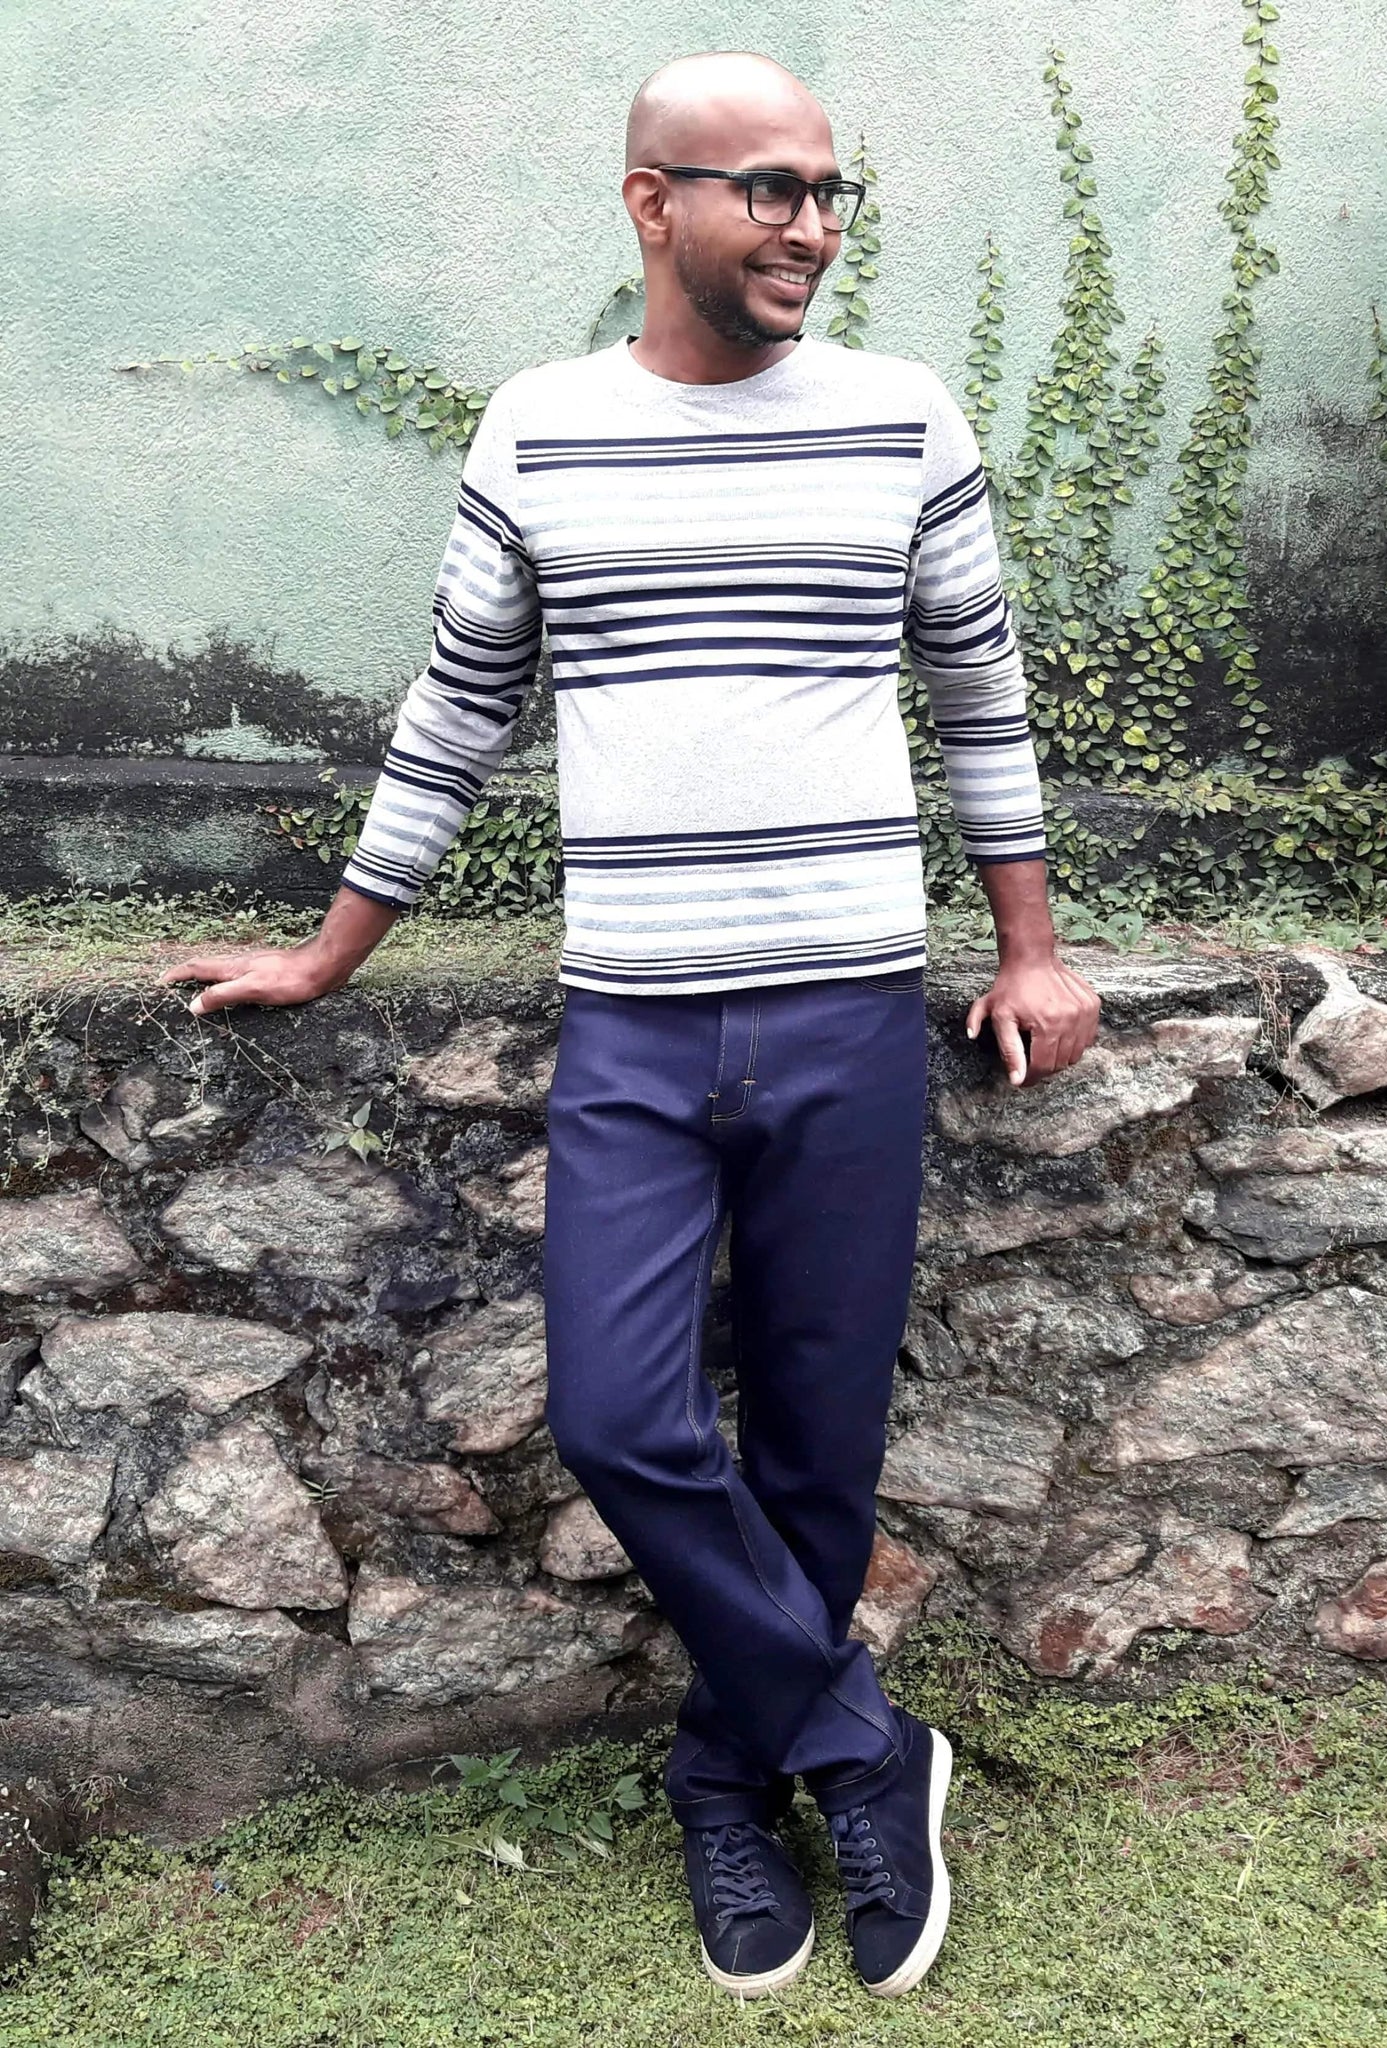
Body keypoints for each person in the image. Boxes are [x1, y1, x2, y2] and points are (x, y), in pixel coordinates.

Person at [163, 49, 1102, 2003]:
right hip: (638, 1027)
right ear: (650, 203)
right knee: (619, 1413)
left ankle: (721, 1781)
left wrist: (1031, 949)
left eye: (827, 190)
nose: (808, 226)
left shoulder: (902, 420)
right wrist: (331, 954)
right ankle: (861, 1743)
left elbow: (980, 693)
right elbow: (457, 710)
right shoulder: (541, 429)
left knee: (821, 1446)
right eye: (766, 188)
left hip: (849, 1008)